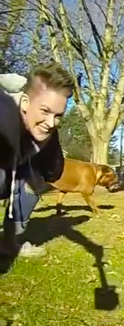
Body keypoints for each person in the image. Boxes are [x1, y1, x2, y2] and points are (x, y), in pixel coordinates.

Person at [0, 62, 73, 258]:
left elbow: (53, 170)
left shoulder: (48, 131)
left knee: (35, 180)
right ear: (25, 102)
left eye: (58, 116)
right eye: (45, 111)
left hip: (12, 168)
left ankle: (9, 243)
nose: (50, 123)